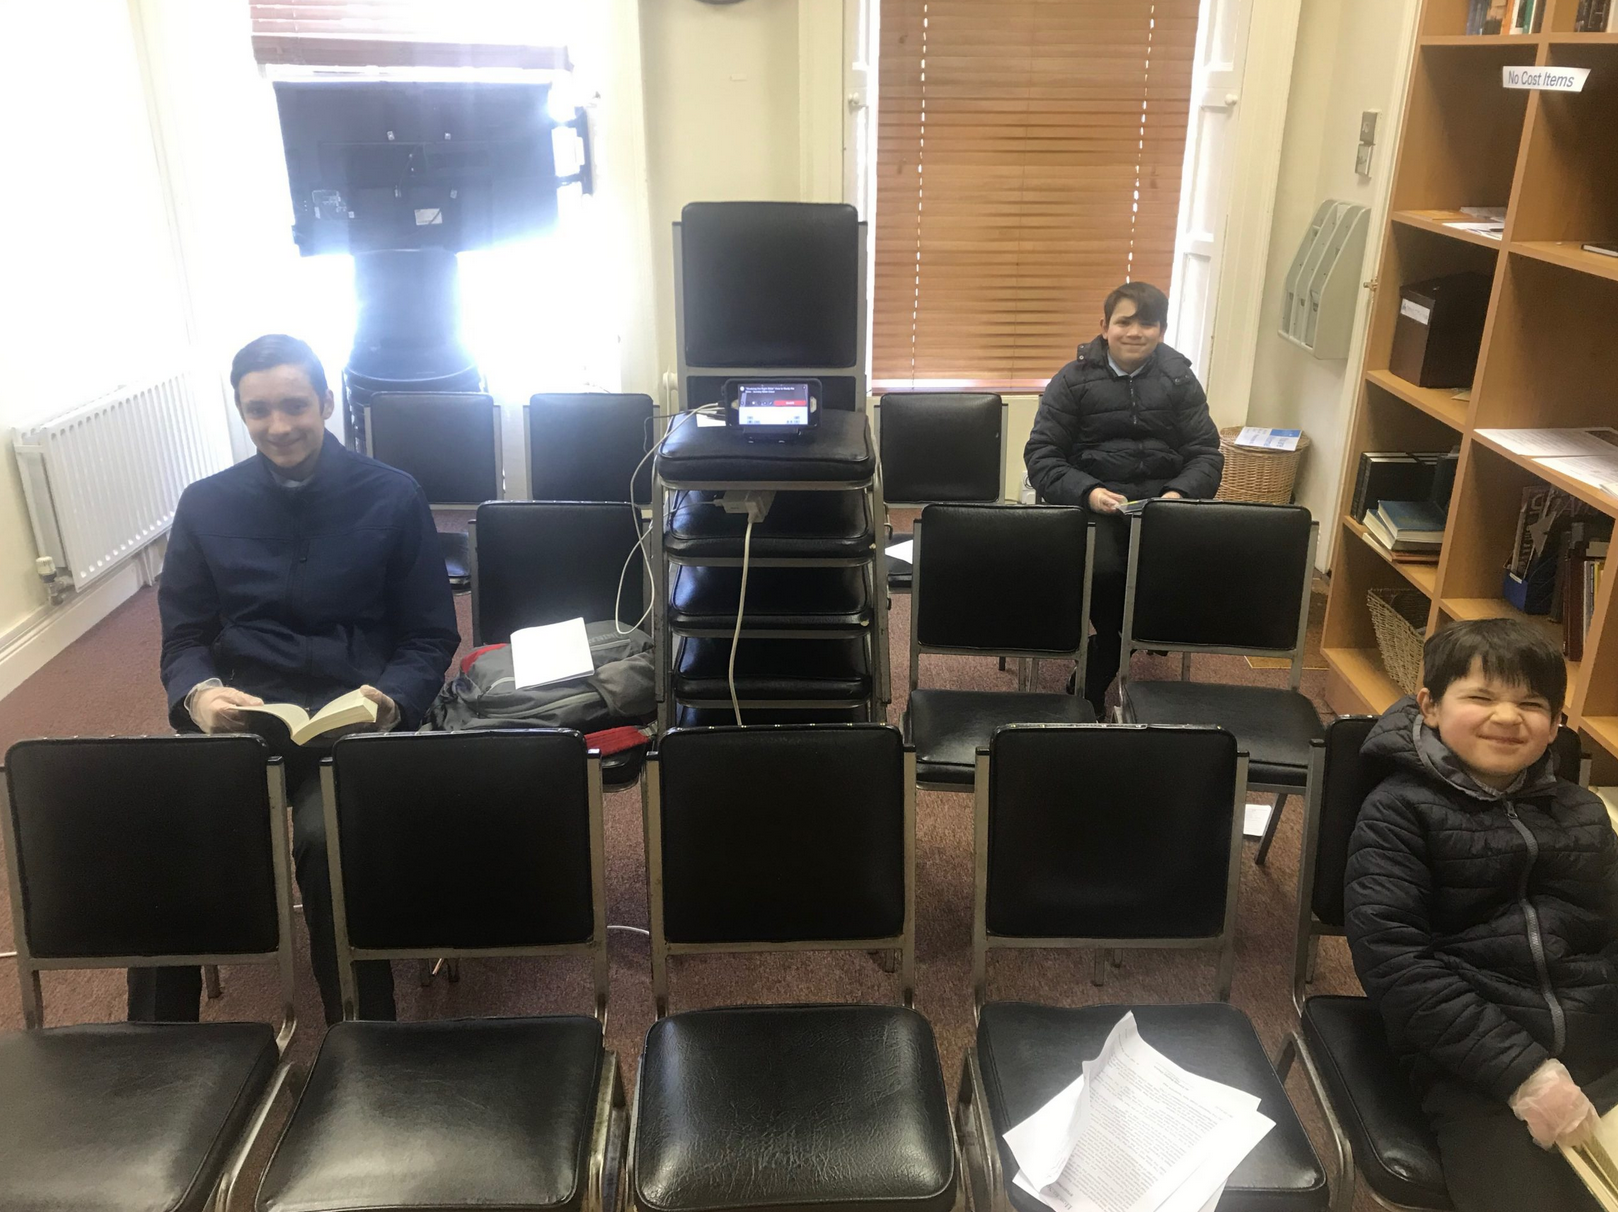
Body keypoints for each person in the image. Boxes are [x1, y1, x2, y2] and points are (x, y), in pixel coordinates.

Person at [141, 333, 460, 1025]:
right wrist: (198, 696)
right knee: (165, 824)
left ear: (326, 402)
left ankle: (362, 1032)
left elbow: (430, 635)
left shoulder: (392, 495)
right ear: (241, 412)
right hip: (246, 713)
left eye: (294, 406)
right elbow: (184, 638)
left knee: (324, 839)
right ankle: (158, 1042)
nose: (278, 426)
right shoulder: (206, 504)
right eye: (258, 410)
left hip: (353, 718)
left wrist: (393, 699)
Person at [1345, 618, 1618, 1212]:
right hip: (1473, 1065)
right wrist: (1525, 1074)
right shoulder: (1397, 811)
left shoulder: (1583, 812)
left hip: (1599, 1047)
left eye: (1532, 704)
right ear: (1430, 706)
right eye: (1481, 697)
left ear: (1556, 725)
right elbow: (1395, 963)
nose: (1508, 717)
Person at [1022, 282, 1223, 714]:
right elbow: (1041, 457)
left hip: (1163, 508)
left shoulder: (1180, 379)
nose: (1135, 332)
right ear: (1104, 327)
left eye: (1147, 323)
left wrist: (1178, 494)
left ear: (1161, 330)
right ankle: (1105, 661)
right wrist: (1089, 492)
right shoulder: (1072, 380)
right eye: (1124, 322)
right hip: (1094, 506)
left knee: (1176, 577)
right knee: (1107, 573)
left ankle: (1107, 656)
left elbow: (1206, 454)